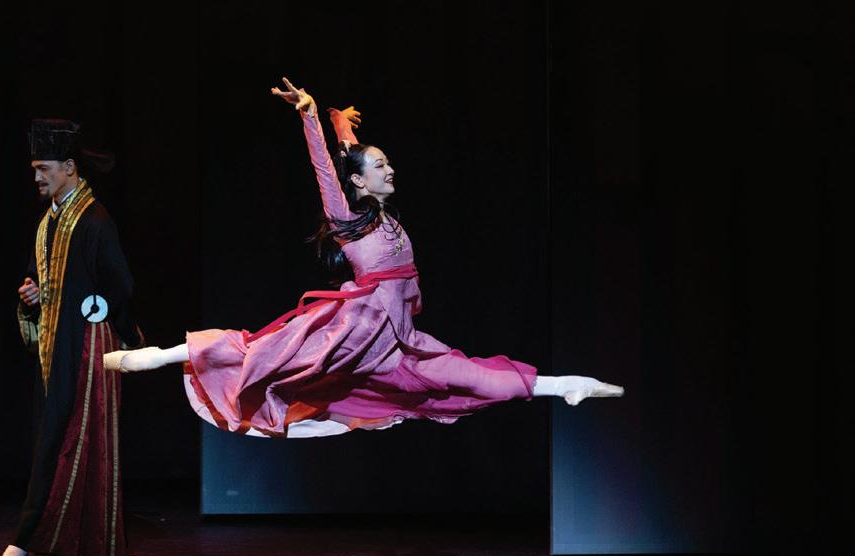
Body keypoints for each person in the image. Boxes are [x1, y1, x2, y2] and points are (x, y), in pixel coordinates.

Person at [103, 77, 623, 439]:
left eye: (388, 162)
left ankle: (564, 385)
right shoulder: (346, 217)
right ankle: (162, 356)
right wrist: (311, 115)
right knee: (257, 352)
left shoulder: (380, 210)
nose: (389, 169)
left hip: (398, 340)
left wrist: (342, 125)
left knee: (466, 375)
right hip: (352, 330)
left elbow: (350, 157)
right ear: (358, 181)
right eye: (380, 165)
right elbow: (328, 169)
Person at [0, 118, 144, 556]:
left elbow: (121, 285)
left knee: (69, 437)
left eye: (44, 168)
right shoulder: (49, 223)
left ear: (70, 168)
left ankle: (22, 540)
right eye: (35, 169)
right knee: (59, 436)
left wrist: (114, 326)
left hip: (86, 348)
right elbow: (46, 279)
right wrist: (34, 295)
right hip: (58, 342)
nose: (37, 177)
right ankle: (94, 544)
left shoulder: (94, 220)